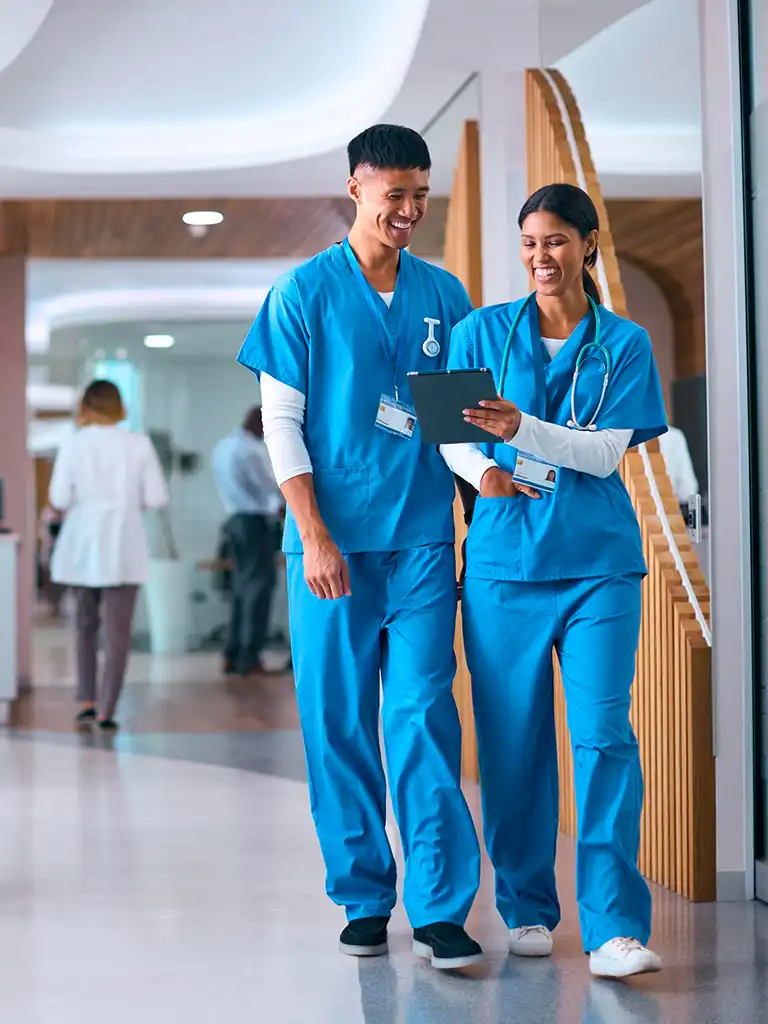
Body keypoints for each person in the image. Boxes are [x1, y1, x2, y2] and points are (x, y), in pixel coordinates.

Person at [237, 124, 482, 970]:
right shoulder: (301, 294)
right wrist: (313, 536)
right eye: (394, 195)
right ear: (356, 189)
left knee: (421, 714)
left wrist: (483, 494)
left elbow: (454, 427)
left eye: (420, 194)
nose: (409, 210)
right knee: (337, 719)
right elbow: (282, 423)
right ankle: (364, 895)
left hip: (418, 539)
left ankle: (441, 905)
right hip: (330, 547)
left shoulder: (445, 296)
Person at [441, 183, 667, 979]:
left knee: (604, 735)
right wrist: (483, 471)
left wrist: (520, 431)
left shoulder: (624, 342)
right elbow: (448, 435)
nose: (542, 257)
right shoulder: (480, 332)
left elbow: (606, 453)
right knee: (512, 742)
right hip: (504, 565)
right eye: (531, 242)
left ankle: (614, 928)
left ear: (589, 245)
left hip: (599, 564)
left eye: (558, 241)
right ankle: (527, 905)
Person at [49, 380, 168, 730]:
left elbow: (58, 498)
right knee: (118, 633)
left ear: (86, 406)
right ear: (119, 406)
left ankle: (86, 698)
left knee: (85, 626)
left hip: (82, 544)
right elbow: (158, 497)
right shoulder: (138, 444)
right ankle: (106, 708)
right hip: (123, 544)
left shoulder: (72, 444)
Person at [211, 407, 285, 676]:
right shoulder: (250, 450)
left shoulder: (224, 445)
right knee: (259, 588)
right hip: (254, 524)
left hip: (234, 522)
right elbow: (269, 486)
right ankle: (249, 657)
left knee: (243, 589)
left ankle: (232, 653)